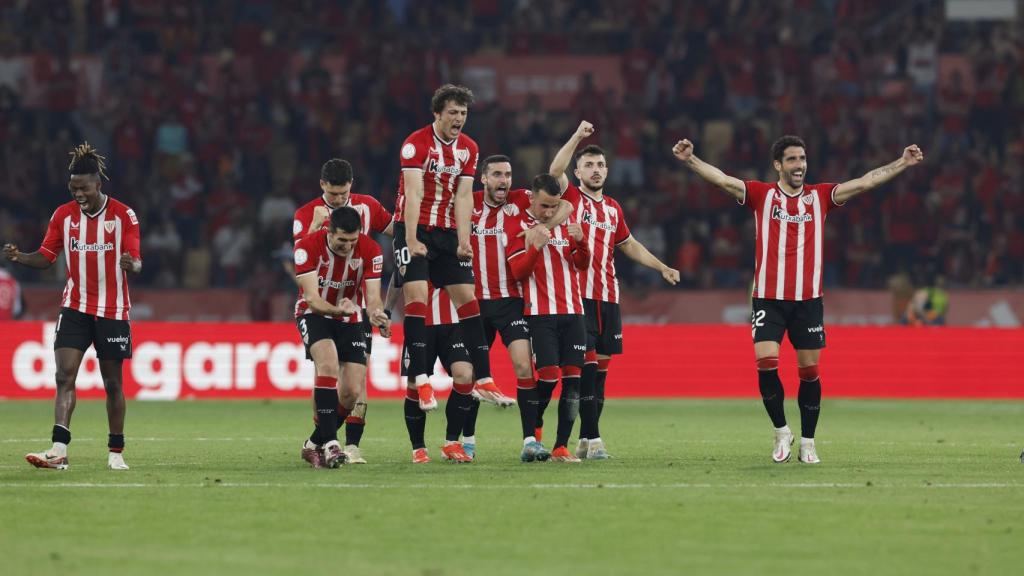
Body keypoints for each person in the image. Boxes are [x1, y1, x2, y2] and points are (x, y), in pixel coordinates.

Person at [672, 135, 925, 463]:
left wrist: (902, 162)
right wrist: (691, 160)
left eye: (802, 159)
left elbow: (865, 183)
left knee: (809, 372)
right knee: (766, 365)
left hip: (808, 301)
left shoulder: (821, 197)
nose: (799, 165)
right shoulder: (762, 195)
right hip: (768, 298)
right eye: (792, 159)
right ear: (778, 165)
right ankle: (781, 431)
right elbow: (722, 180)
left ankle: (808, 441)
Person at [3, 143, 142, 470]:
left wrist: (131, 264)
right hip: (75, 307)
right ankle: (58, 450)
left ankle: (116, 452)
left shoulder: (124, 215)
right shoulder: (62, 215)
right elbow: (46, 256)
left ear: (98, 184)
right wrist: (21, 257)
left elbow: (136, 258)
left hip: (111, 310)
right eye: (73, 188)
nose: (78, 194)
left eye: (84, 188)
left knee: (113, 383)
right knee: (64, 375)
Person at [549, 121, 680, 459]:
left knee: (600, 378)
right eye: (589, 165)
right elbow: (554, 170)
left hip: (608, 298)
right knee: (588, 370)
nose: (596, 169)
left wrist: (662, 267)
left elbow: (629, 244)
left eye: (601, 165)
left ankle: (584, 439)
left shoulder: (613, 208)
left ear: (607, 171)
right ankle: (595, 441)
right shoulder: (571, 197)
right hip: (577, 299)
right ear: (578, 172)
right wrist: (577, 136)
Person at [392, 84, 510, 415]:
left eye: (463, 113)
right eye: (453, 113)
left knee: (468, 300)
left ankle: (484, 377)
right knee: (416, 297)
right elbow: (413, 193)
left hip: (446, 233)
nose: (459, 118)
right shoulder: (416, 144)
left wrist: (463, 240)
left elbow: (463, 197)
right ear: (437, 114)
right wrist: (411, 238)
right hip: (412, 228)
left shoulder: (469, 148)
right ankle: (420, 377)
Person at [465, 155, 572, 461]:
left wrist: (541, 228)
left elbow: (566, 205)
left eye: (508, 174)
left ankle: (529, 441)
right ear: (484, 178)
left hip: (511, 302)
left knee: (525, 367)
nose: (504, 180)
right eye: (497, 174)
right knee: (470, 375)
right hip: (474, 302)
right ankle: (466, 442)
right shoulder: (467, 202)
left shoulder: (521, 198)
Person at [292, 158, 393, 464]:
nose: (348, 246)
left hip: (352, 315)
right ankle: (333, 444)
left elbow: (373, 298)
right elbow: (311, 297)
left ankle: (314, 443)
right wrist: (339, 310)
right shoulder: (307, 225)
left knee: (351, 391)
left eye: (343, 193)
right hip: (316, 311)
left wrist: (377, 314)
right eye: (332, 193)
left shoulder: (370, 246)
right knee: (326, 366)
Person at [506, 174, 591, 462]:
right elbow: (518, 272)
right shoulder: (518, 227)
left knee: (574, 382)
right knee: (548, 376)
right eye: (544, 206)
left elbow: (581, 264)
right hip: (540, 314)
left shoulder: (565, 221)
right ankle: (535, 428)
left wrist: (582, 243)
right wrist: (536, 247)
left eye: (554, 206)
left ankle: (561, 447)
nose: (549, 212)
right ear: (531, 198)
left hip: (574, 312)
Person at [395, 282, 476, 464]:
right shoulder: (413, 261)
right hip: (420, 323)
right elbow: (397, 279)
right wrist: (386, 309)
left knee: (465, 375)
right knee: (414, 384)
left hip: (456, 323)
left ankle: (452, 443)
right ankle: (418, 448)